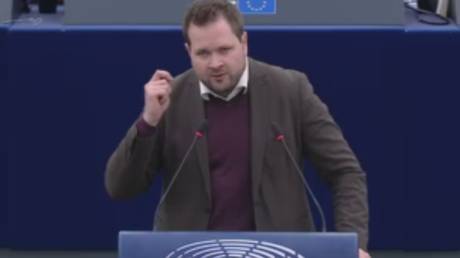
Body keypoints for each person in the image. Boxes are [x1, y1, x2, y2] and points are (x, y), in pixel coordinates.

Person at [105, 0, 370, 257]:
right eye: (203, 53)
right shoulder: (169, 101)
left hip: (279, 250)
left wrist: (353, 245)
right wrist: (147, 122)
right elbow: (120, 187)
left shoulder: (290, 89)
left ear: (244, 43)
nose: (215, 63)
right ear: (188, 51)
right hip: (190, 251)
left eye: (224, 50)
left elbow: (345, 172)